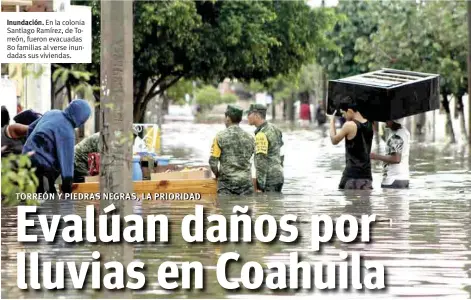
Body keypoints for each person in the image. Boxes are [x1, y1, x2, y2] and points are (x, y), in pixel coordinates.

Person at [23, 99, 91, 194]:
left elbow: (30, 128)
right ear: (81, 119)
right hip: (41, 167)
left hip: (25, 158)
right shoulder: (68, 133)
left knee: (30, 198)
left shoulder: (52, 113)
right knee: (49, 202)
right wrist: (67, 190)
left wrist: (31, 146)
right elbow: (67, 167)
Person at [209, 105, 255, 195]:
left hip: (226, 184)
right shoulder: (250, 138)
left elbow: (213, 162)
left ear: (228, 118)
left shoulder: (219, 137)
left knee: (226, 207)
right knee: (245, 208)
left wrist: (218, 175)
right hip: (246, 183)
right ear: (240, 119)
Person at [329, 99, 374, 190]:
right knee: (365, 204)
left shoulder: (349, 125)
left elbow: (334, 140)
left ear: (349, 111)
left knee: (350, 203)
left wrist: (331, 121)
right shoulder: (370, 124)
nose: (344, 116)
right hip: (367, 177)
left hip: (352, 176)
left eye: (344, 113)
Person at [247, 104, 284, 193]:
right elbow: (279, 149)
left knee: (266, 205)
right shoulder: (275, 128)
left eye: (249, 114)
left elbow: (261, 161)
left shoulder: (261, 134)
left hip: (268, 178)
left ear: (256, 115)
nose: (247, 117)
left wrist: (260, 185)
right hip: (279, 174)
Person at [370, 118, 410, 188]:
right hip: (401, 178)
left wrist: (376, 156)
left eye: (388, 119)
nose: (385, 121)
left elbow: (396, 159)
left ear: (394, 120)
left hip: (393, 180)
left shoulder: (397, 136)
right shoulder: (403, 131)